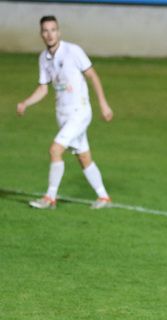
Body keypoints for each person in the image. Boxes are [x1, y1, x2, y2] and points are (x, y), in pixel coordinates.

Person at [17, 15, 114, 210]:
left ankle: (50, 198)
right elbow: (43, 89)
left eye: (53, 30)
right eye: (45, 30)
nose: (50, 34)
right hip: (62, 114)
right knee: (83, 157)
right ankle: (104, 197)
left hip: (80, 111)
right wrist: (26, 103)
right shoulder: (43, 58)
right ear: (41, 34)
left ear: (59, 32)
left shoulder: (73, 51)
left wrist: (103, 104)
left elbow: (92, 76)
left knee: (55, 150)